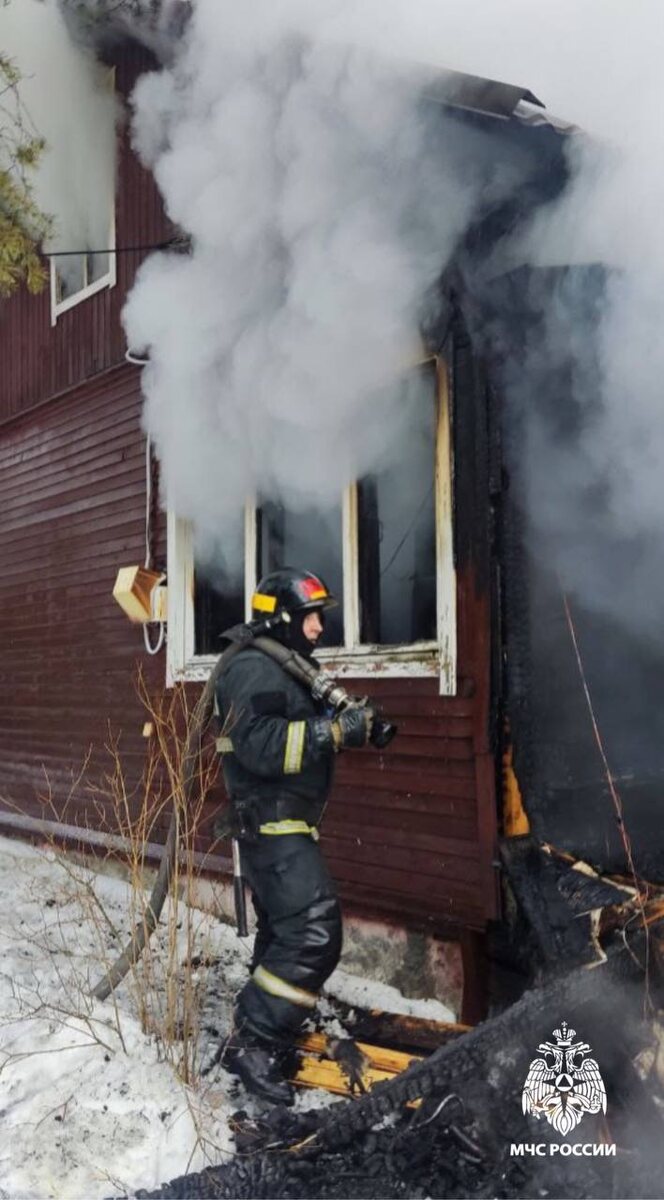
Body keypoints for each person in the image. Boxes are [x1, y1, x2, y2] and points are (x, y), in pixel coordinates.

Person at [215, 567, 373, 1104]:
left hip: (286, 820)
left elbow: (289, 731)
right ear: (283, 617)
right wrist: (331, 732)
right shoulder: (255, 669)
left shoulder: (282, 669)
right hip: (271, 821)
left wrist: (349, 723)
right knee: (312, 931)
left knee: (284, 932)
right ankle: (254, 1044)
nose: (319, 628)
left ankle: (262, 1028)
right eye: (312, 617)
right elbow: (259, 745)